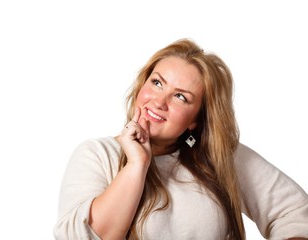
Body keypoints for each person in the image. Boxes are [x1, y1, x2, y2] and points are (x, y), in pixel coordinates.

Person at [53, 39, 308, 239]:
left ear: (195, 120)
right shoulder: (98, 154)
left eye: (180, 97)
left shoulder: (218, 155)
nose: (159, 101)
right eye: (157, 83)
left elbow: (295, 213)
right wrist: (137, 164)